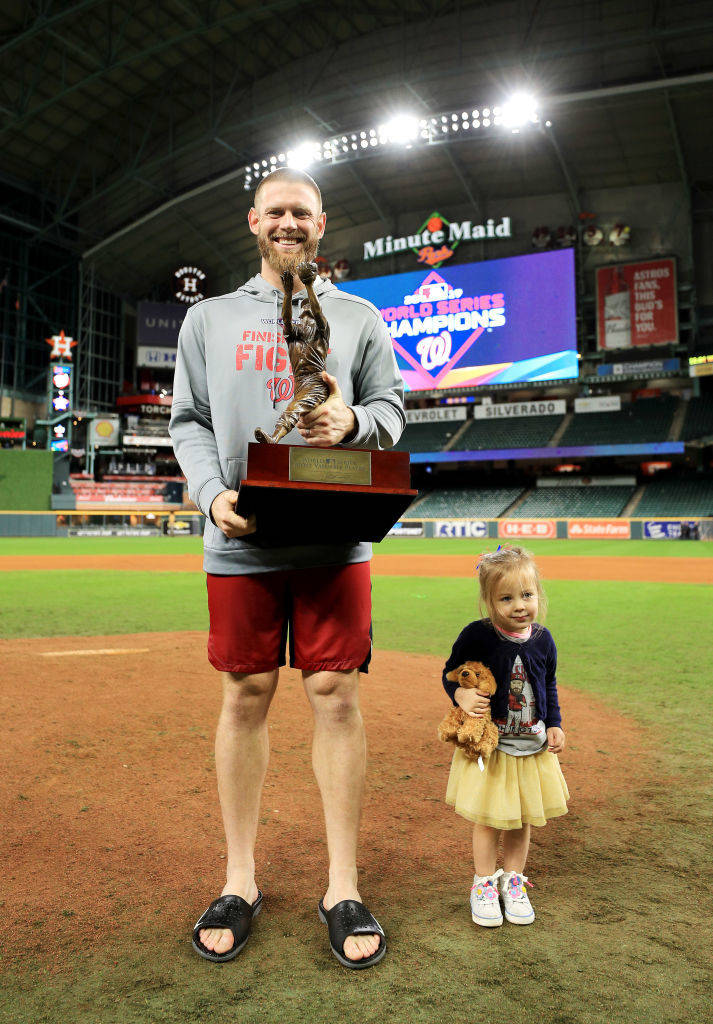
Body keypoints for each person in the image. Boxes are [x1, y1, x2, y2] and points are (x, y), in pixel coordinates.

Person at [168, 167, 405, 969]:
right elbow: (189, 420)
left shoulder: (359, 316)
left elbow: (394, 411)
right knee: (245, 693)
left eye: (300, 212)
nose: (288, 222)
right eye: (275, 211)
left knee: (335, 696)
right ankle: (240, 877)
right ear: (252, 221)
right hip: (242, 536)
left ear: (321, 222)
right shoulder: (207, 319)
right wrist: (207, 494)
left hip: (335, 537)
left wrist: (356, 418)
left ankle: (344, 885)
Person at [441, 546, 568, 928]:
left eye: (527, 595)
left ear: (538, 595)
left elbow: (549, 683)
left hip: (532, 746)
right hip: (492, 748)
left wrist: (554, 723)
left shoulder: (544, 639)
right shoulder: (477, 636)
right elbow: (452, 671)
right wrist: (460, 694)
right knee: (489, 820)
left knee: (522, 818)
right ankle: (483, 883)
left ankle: (513, 880)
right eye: (506, 598)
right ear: (489, 601)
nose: (519, 606)